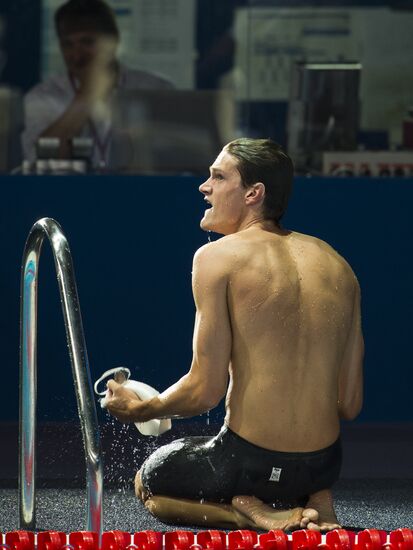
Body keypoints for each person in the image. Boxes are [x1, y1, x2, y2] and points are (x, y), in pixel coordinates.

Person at [105, 137, 364, 532]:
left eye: (218, 176)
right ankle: (314, 496)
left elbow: (204, 390)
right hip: (325, 463)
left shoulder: (217, 257)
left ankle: (249, 511)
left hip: (250, 465)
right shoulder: (339, 266)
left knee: (150, 482)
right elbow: (349, 403)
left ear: (253, 194)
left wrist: (141, 409)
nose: (203, 187)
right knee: (290, 466)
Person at [21, 0, 172, 169]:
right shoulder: (43, 97)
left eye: (87, 42)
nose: (77, 55)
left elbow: (177, 158)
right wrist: (86, 95)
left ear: (113, 42)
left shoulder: (154, 89)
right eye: (67, 45)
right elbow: (40, 161)